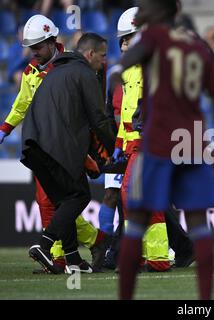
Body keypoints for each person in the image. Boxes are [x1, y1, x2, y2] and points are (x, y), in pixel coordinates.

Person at [114, 0, 214, 299]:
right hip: (192, 142)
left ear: (161, 11)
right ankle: (206, 300)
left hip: (158, 143)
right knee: (200, 225)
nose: (140, 13)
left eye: (146, 7)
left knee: (136, 218)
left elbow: (126, 63)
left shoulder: (152, 38)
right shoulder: (196, 44)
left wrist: (115, 71)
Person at [0, 15, 109, 273]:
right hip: (45, 142)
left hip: (66, 144)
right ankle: (71, 256)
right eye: (31, 48)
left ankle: (68, 252)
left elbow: (86, 114)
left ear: (52, 41)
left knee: (63, 200)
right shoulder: (32, 71)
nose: (34, 52)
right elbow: (22, 104)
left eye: (37, 47)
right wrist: (5, 128)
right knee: (56, 201)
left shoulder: (68, 66)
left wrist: (91, 153)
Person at [24, 33, 115, 274]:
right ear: (90, 54)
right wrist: (113, 147)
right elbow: (97, 119)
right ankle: (44, 245)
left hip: (32, 145)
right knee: (79, 196)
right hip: (56, 146)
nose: (104, 62)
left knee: (65, 200)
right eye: (102, 56)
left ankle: (73, 260)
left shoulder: (55, 72)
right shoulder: (85, 74)